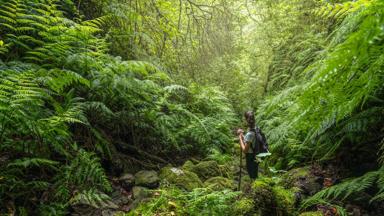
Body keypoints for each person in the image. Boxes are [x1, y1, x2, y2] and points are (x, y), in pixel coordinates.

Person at [237, 111, 259, 179]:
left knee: (252, 175)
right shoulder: (256, 128)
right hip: (256, 154)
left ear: (246, 120)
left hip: (251, 156)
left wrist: (240, 138)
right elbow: (250, 141)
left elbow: (245, 150)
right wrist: (243, 136)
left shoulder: (250, 133)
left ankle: (254, 187)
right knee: (254, 173)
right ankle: (255, 185)